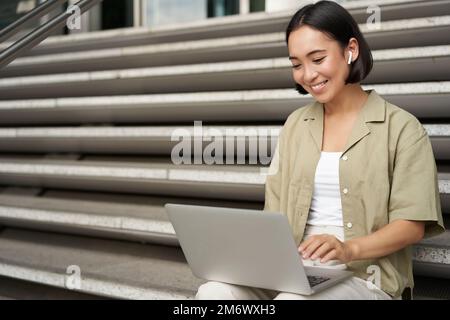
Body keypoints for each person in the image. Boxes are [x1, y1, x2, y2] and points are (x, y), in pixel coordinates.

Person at [195, 0, 444, 300]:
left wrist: (347, 248)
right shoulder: (296, 125)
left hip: (366, 277)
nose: (308, 75)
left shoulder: (402, 128)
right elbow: (273, 213)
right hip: (293, 269)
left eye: (317, 58)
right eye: (297, 64)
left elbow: (412, 226)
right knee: (214, 292)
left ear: (350, 50)